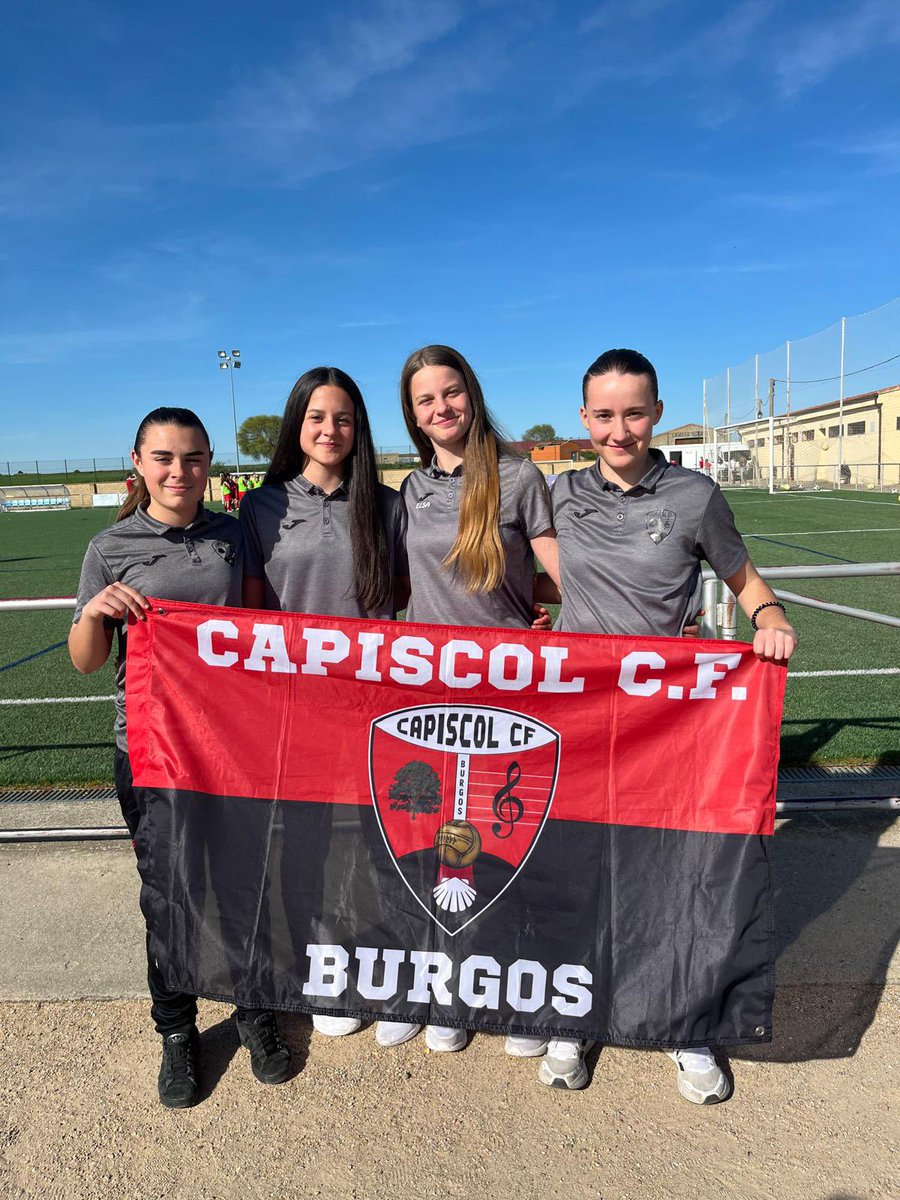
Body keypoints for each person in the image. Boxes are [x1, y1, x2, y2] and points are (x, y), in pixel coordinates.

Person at [534, 348, 798, 1102]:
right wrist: (531, 614)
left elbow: (742, 577)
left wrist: (770, 617)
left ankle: (687, 1023)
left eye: (634, 414)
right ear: (584, 418)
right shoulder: (559, 492)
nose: (620, 431)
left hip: (668, 722)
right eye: (604, 415)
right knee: (582, 869)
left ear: (656, 412)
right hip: (582, 720)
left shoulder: (695, 494)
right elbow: (544, 578)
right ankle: (573, 1013)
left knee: (673, 871)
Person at [68, 407, 292, 1109]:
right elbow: (86, 662)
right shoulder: (110, 546)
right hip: (147, 748)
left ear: (208, 463)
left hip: (228, 746)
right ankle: (176, 1029)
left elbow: (257, 631)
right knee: (168, 896)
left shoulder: (232, 535)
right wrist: (95, 612)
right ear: (137, 462)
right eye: (163, 458)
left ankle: (254, 1011)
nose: (178, 471)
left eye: (192, 458)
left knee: (243, 886)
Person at [382, 343, 562, 1056]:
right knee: (432, 844)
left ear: (472, 393)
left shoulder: (518, 478)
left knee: (507, 841)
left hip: (508, 692)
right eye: (426, 399)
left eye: (451, 392)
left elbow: (564, 578)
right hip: (429, 694)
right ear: (412, 414)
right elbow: (401, 585)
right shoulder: (410, 491)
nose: (442, 407)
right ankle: (441, 985)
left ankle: (512, 985)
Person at [240, 367, 398, 1039]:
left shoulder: (387, 504)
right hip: (295, 712)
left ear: (358, 428)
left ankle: (378, 963)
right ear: (296, 424)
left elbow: (410, 600)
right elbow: (248, 614)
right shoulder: (260, 507)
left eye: (343, 418)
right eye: (317, 417)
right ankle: (314, 964)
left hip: (372, 709)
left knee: (375, 842)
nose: (330, 430)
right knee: (303, 844)